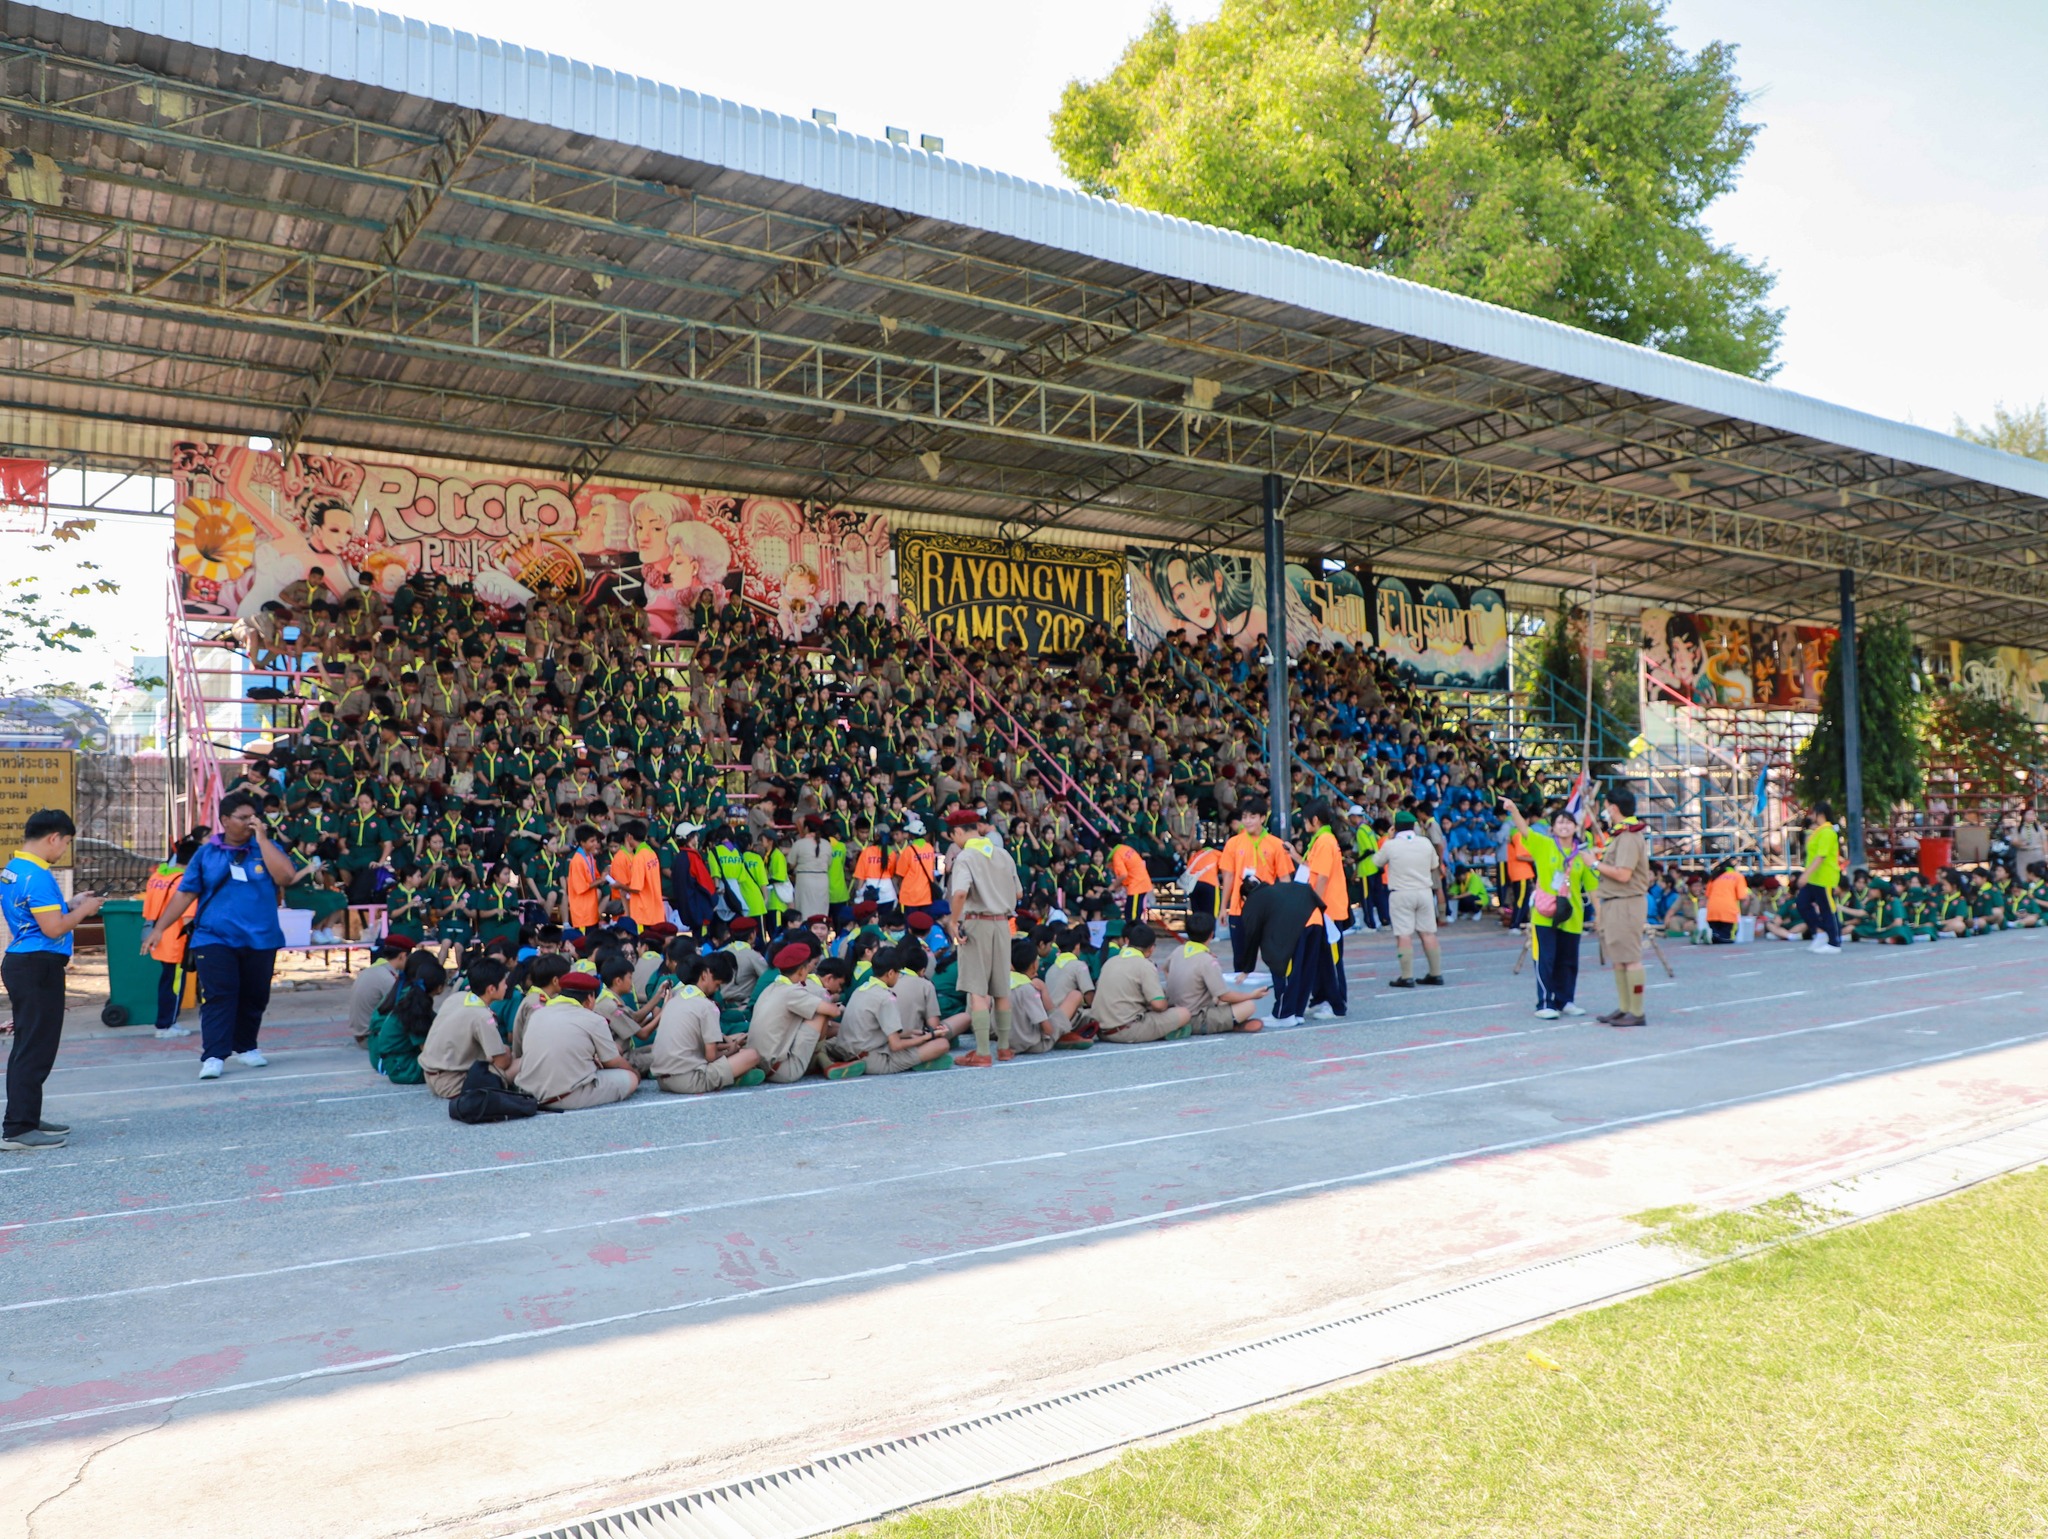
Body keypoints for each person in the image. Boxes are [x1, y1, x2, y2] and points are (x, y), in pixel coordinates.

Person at [139, 790, 298, 1080]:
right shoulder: (207, 853)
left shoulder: (266, 846)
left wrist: (262, 840)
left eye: (254, 817)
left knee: (254, 996)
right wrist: (159, 928)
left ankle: (246, 1046)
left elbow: (286, 876)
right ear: (225, 820)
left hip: (261, 938)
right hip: (215, 937)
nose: (250, 822)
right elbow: (186, 893)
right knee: (219, 995)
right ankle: (214, 1054)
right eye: (243, 817)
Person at [2, 810, 102, 1152]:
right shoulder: (39, 876)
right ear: (53, 837)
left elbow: (37, 915)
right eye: (66, 842)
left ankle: (26, 1117)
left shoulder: (15, 868)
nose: (64, 850)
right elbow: (54, 927)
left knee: (28, 1045)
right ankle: (19, 1128)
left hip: (24, 962)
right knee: (36, 1049)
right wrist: (84, 911)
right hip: (37, 966)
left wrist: (72, 903)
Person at [1503, 799, 1596, 1018]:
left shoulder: (1582, 854)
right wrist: (1514, 809)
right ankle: (1545, 1003)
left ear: (1575, 827)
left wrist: (1599, 915)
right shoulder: (1543, 844)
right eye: (1559, 822)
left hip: (1572, 915)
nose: (1564, 826)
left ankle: (1566, 1000)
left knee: (1568, 960)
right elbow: (1524, 830)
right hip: (1545, 914)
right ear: (1552, 828)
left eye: (1568, 822)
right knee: (1546, 958)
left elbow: (1592, 887)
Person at [945, 807, 1022, 1067]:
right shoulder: (1003, 854)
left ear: (958, 832)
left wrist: (953, 921)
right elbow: (1019, 893)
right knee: (1001, 989)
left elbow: (960, 893)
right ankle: (1004, 1048)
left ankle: (982, 1052)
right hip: (1002, 924)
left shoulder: (966, 857)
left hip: (977, 923)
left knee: (978, 991)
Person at [514, 970, 641, 1108]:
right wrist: (634, 1073)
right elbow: (613, 1062)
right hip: (564, 1097)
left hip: (530, 1095)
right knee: (630, 1078)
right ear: (590, 999)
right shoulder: (594, 1019)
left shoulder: (538, 1014)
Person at [651, 950, 766, 1094]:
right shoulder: (707, 1006)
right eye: (717, 985)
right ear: (705, 975)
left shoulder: (675, 996)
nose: (717, 990)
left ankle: (733, 1074)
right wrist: (733, 1050)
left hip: (662, 1081)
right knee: (752, 1055)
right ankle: (735, 1077)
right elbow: (710, 1057)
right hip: (688, 1080)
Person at [1591, 784, 1654, 1027]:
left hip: (1626, 902)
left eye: (1606, 806)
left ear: (1614, 808)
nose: (1604, 810)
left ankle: (1636, 1011)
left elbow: (1623, 874)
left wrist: (1593, 863)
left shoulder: (1628, 836)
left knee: (1630, 958)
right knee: (1618, 958)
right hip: (1615, 902)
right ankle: (1625, 1007)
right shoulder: (1620, 835)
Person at [419, 957, 519, 1096]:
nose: (507, 987)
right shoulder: (483, 1016)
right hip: (453, 1083)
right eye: (504, 983)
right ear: (491, 989)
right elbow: (501, 1062)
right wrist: (506, 1051)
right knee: (522, 1063)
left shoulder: (457, 998)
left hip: (431, 1076)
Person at [1368, 810, 1444, 988]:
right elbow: (1434, 865)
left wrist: (1388, 838)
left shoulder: (1391, 845)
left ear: (1395, 827)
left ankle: (1407, 976)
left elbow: (1376, 862)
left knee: (1404, 934)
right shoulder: (1424, 843)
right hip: (1424, 892)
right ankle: (1436, 973)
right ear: (1413, 826)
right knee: (1428, 933)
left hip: (1401, 893)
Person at [1163, 912, 1268, 1033]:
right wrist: (1252, 995)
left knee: (1219, 1001)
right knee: (1248, 1006)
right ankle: (1228, 1025)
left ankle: (1228, 1022)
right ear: (1212, 934)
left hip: (1175, 1012)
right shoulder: (1208, 960)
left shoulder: (1178, 950)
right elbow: (1224, 995)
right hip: (1196, 1017)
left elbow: (1165, 969)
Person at [141, 833, 200, 1039]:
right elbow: (188, 918)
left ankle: (166, 1022)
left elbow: (148, 908)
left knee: (166, 981)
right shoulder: (185, 883)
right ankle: (166, 1025)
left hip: (158, 938)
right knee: (174, 985)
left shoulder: (158, 876)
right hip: (176, 941)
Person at [1091, 923, 1192, 1043]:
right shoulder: (1145, 965)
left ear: (1128, 942)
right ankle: (1164, 1032)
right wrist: (1166, 1002)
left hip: (1101, 1031)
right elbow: (1159, 1005)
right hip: (1126, 1031)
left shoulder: (1110, 962)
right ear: (1152, 949)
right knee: (1184, 1013)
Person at [1794, 801, 1843, 954]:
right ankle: (1820, 932)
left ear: (1820, 814)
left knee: (1827, 909)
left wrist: (1805, 875)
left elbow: (1821, 856)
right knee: (1802, 903)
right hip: (1813, 878)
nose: (1811, 816)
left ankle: (1835, 942)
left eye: (1813, 813)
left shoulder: (1828, 832)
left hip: (1824, 877)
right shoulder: (1819, 831)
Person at [347, 934, 415, 1044]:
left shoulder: (373, 970)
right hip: (372, 1038)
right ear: (402, 956)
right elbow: (403, 1011)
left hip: (362, 1034)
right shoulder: (387, 978)